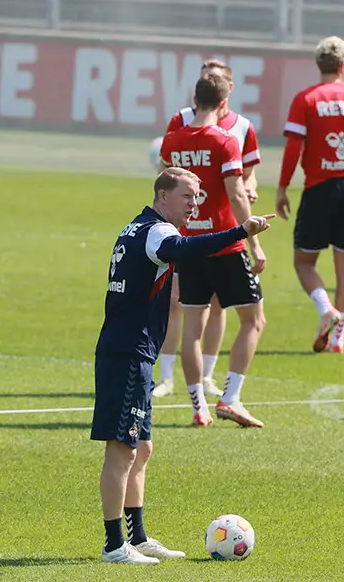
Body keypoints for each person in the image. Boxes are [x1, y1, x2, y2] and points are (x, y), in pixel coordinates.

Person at [93, 166, 273, 564]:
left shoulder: (136, 228)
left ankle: (136, 537)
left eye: (197, 196)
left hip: (129, 350)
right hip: (127, 352)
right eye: (188, 196)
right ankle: (113, 546)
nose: (196, 204)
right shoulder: (158, 232)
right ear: (163, 196)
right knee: (122, 450)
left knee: (141, 449)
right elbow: (187, 250)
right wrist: (241, 232)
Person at [160, 73, 266, 428]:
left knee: (192, 328)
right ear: (224, 104)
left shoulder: (173, 139)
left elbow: (164, 190)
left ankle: (197, 407)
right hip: (225, 244)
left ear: (195, 98)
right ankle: (231, 398)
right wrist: (255, 242)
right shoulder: (224, 140)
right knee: (253, 320)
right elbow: (236, 194)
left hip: (189, 246)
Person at [276, 36, 344, 354]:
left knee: (304, 262)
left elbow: (294, 146)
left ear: (318, 64)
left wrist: (282, 187)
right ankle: (338, 340)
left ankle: (326, 310)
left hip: (318, 187)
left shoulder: (306, 99)